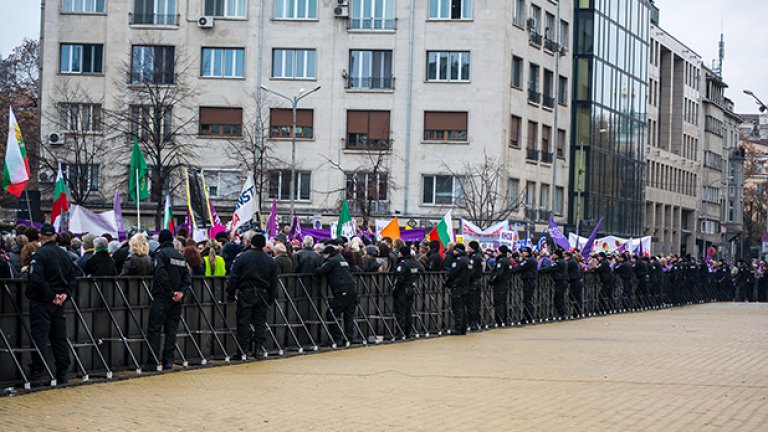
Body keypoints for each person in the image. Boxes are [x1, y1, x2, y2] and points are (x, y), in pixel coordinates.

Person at [25, 223, 79, 385]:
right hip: (59, 302)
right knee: (59, 338)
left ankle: (37, 374)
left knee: (40, 338)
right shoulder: (65, 255)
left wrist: (51, 295)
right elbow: (72, 278)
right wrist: (64, 295)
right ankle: (62, 373)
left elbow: (36, 278)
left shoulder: (39, 255)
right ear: (55, 236)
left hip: (42, 301)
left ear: (41, 235)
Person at [145, 230, 191, 370]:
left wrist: (170, 292)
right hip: (176, 300)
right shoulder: (180, 257)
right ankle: (168, 361)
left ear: (161, 241)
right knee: (171, 330)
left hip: (163, 297)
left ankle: (153, 362)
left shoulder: (160, 254)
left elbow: (161, 274)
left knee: (155, 329)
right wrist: (181, 293)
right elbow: (186, 277)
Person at [227, 234, 278, 358]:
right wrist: (271, 297)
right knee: (260, 322)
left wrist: (231, 293)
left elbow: (234, 277)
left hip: (246, 293)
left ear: (251, 243)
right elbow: (274, 281)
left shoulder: (242, 257)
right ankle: (258, 350)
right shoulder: (270, 260)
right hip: (263, 294)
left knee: (243, 322)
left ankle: (242, 351)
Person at [314, 245, 358, 346]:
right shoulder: (341, 259)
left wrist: (314, 269)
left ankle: (336, 338)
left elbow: (321, 271)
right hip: (351, 290)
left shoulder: (331, 261)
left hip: (341, 291)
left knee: (331, 314)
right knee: (348, 315)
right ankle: (348, 338)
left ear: (328, 254)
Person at [393, 245, 422, 339]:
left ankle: (399, 334)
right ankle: (407, 333)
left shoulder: (403, 263)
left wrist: (395, 290)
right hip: (411, 288)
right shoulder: (414, 263)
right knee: (408, 312)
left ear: (402, 253)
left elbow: (399, 278)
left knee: (400, 312)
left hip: (403, 290)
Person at [444, 243, 471, 335]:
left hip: (457, 287)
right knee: (463, 308)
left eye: (455, 250)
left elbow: (452, 273)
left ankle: (458, 329)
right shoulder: (468, 260)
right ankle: (463, 328)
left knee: (457, 309)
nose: (454, 252)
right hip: (465, 286)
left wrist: (448, 283)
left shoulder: (458, 261)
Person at [511, 247, 538, 324]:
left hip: (529, 281)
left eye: (524, 252)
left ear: (528, 253)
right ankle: (527, 317)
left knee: (527, 300)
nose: (522, 253)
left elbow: (519, 268)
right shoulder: (531, 260)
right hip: (529, 281)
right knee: (527, 300)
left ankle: (528, 317)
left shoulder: (528, 260)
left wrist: (511, 269)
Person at [540, 249, 568, 319]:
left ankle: (562, 314)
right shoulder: (562, 261)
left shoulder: (559, 262)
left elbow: (550, 268)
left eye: (554, 254)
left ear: (557, 255)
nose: (553, 256)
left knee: (558, 299)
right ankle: (561, 314)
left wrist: (540, 270)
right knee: (559, 298)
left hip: (560, 281)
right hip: (561, 281)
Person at [489, 245, 512, 327]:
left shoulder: (501, 261)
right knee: (503, 302)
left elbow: (499, 273)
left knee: (499, 303)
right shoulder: (507, 260)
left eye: (498, 251)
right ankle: (504, 320)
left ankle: (499, 321)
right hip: (505, 283)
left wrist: (491, 281)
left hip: (499, 284)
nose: (496, 252)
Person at [466, 241, 484, 331]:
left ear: (471, 248)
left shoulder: (473, 258)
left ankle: (472, 323)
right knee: (476, 303)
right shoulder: (479, 257)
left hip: (473, 283)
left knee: (472, 304)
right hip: (478, 282)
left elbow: (471, 271)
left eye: (468, 246)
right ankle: (476, 322)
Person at [565, 251, 584, 317]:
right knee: (576, 297)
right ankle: (577, 311)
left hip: (575, 281)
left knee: (574, 296)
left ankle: (577, 312)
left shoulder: (571, 262)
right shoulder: (572, 262)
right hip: (576, 281)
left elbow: (564, 267)